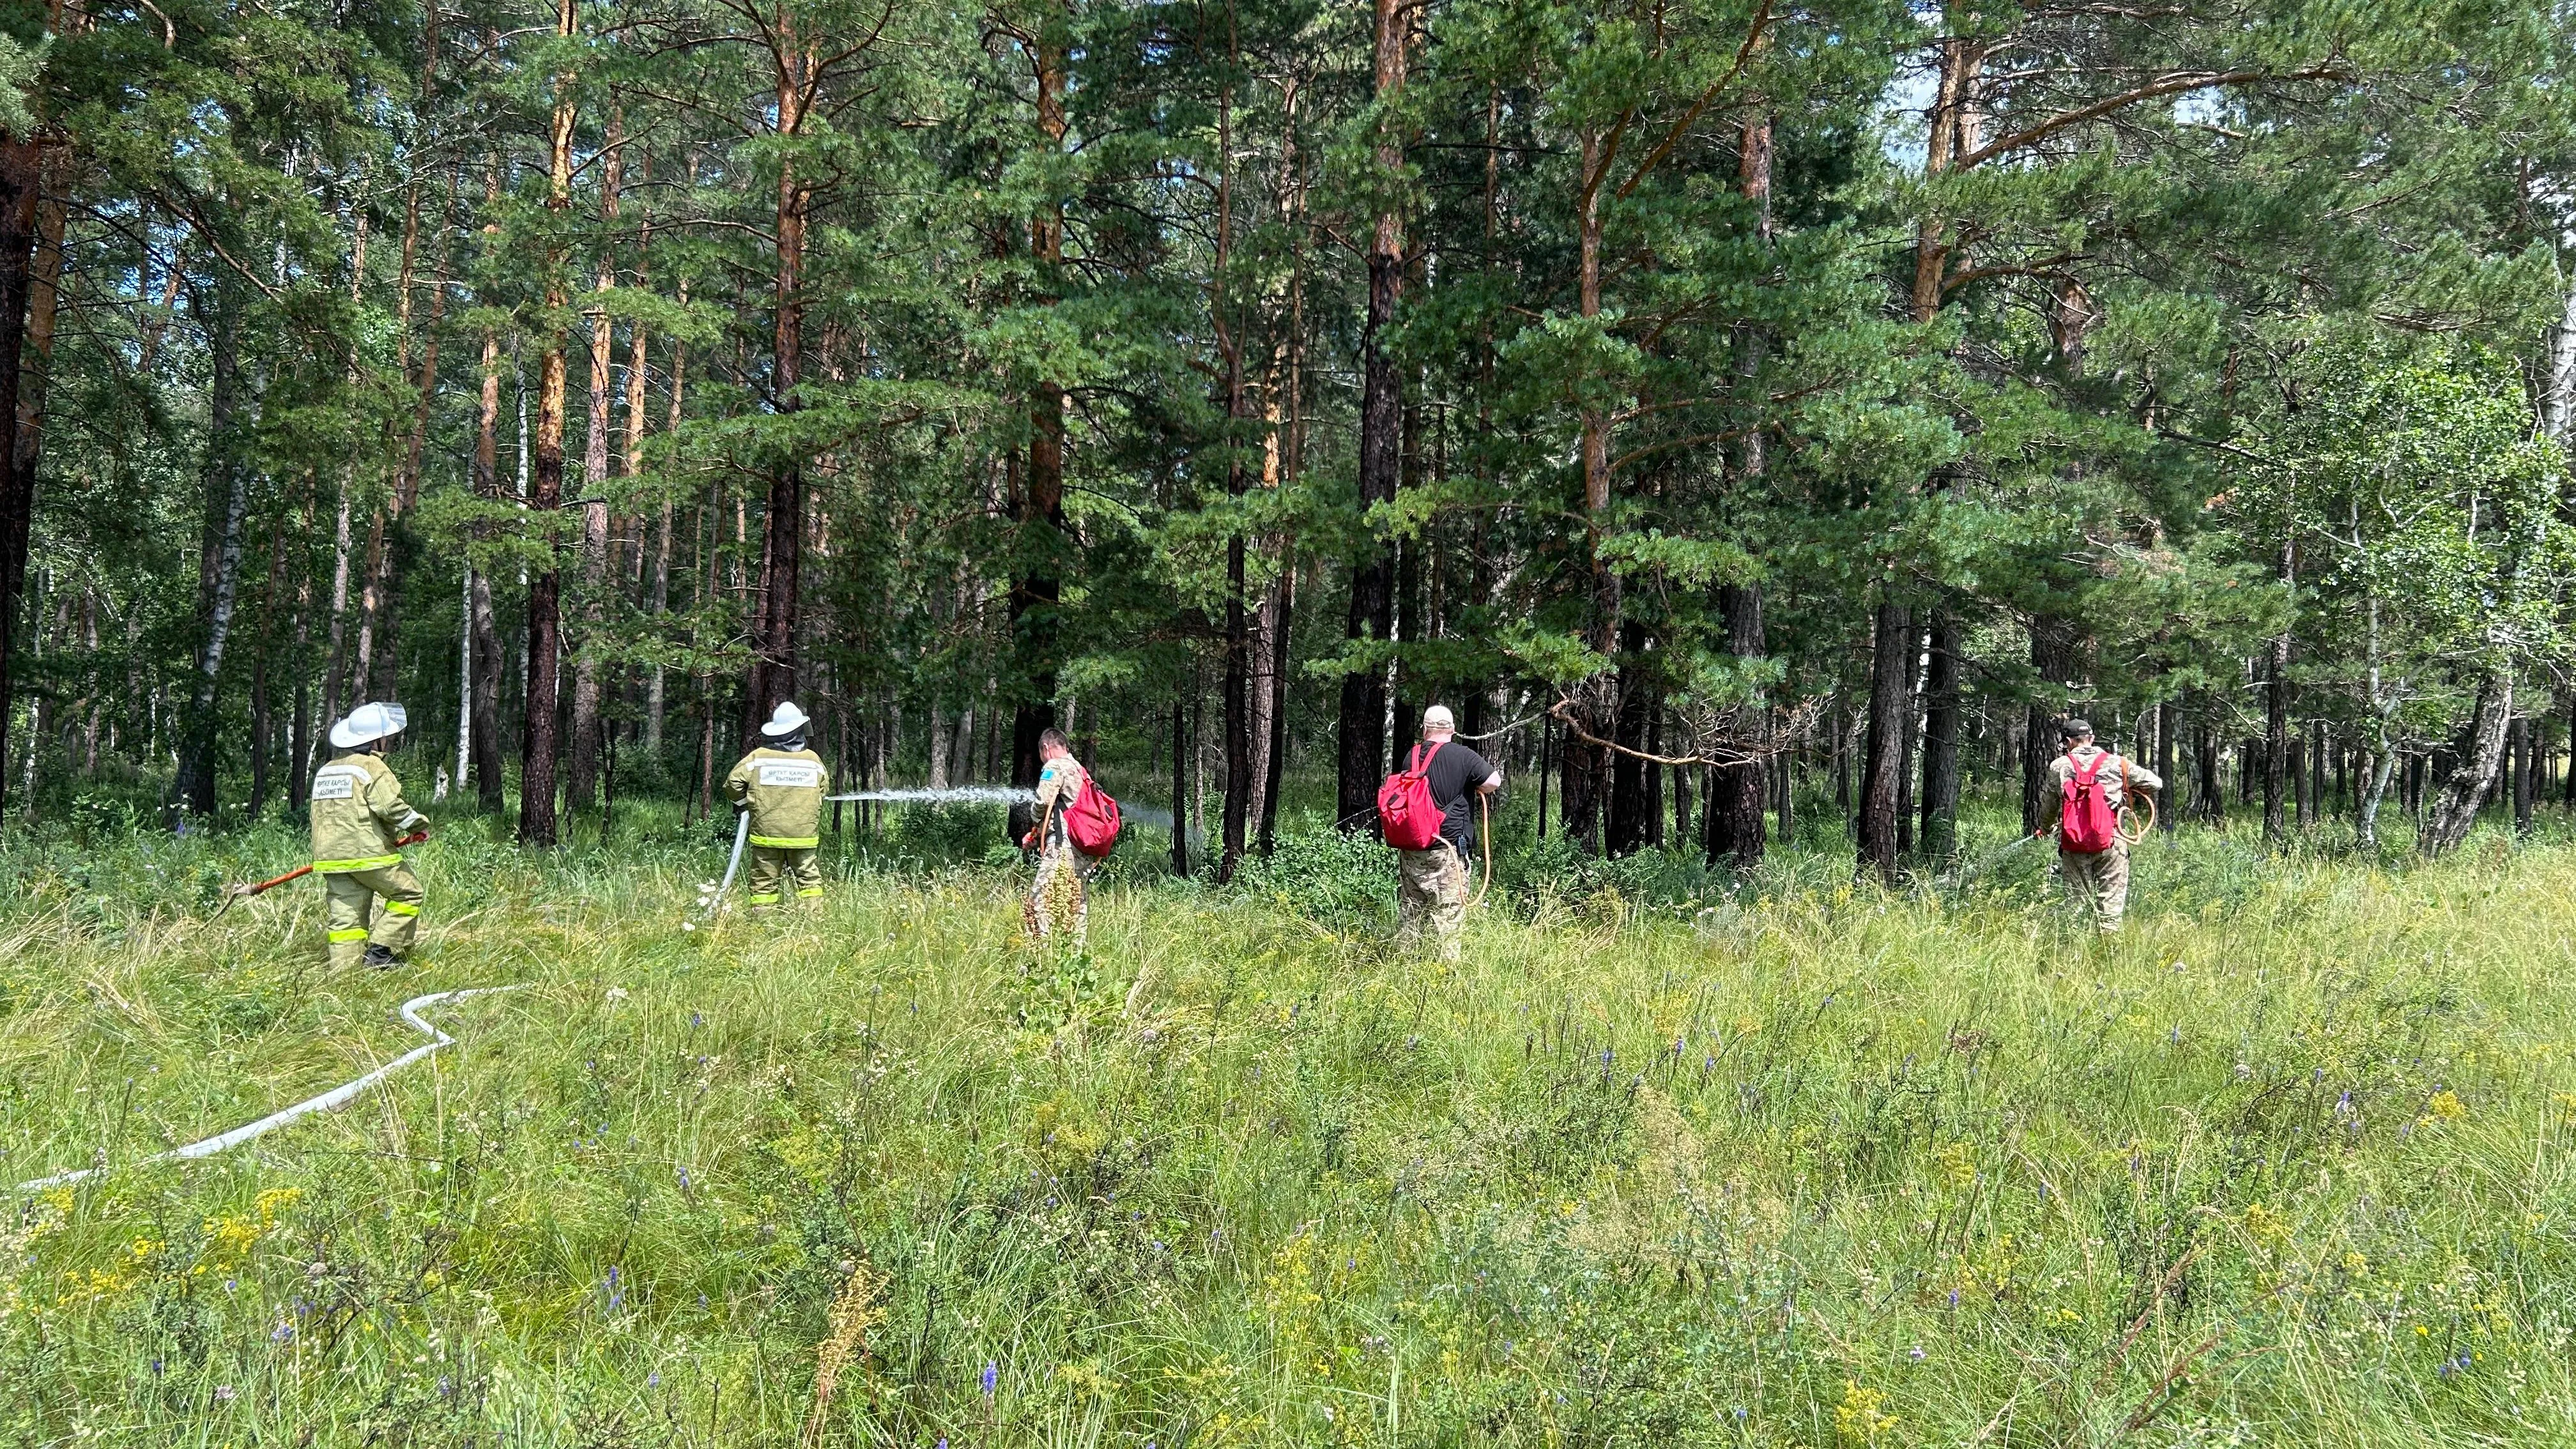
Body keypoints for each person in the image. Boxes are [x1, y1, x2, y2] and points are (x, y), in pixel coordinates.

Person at [310, 702, 429, 969]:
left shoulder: (327, 770)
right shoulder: (370, 767)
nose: (389, 741)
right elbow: (390, 808)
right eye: (386, 737)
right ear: (376, 740)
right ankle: (381, 953)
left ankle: (344, 974)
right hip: (369, 855)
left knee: (345, 920)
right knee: (408, 893)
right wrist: (419, 826)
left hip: (331, 858)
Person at [1393, 705, 1502, 961]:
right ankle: (1446, 976)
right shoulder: (1463, 756)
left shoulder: (1412, 755)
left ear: (1425, 729)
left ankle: (1406, 968)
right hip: (1448, 852)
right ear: (1452, 729)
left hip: (1413, 849)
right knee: (1449, 916)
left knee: (1412, 913)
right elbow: (1494, 782)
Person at [2042, 717, 2161, 933]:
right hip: (2112, 842)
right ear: (2092, 739)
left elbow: (2049, 806)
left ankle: (2075, 954)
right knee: (2110, 909)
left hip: (2073, 844)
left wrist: (2046, 826)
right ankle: (2109, 954)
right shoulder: (2118, 763)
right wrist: (2125, 785)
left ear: (2068, 742)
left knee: (2075, 906)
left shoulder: (2059, 766)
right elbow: (2156, 783)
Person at [725, 702, 831, 908]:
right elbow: (823, 789)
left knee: (764, 883)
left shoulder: (758, 758)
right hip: (803, 836)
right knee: (809, 880)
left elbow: (732, 784)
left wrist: (746, 804)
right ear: (800, 730)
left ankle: (764, 923)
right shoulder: (813, 760)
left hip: (767, 834)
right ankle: (814, 920)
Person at [1023, 728, 1095, 944]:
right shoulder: (1081, 770)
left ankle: (1038, 954)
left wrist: (1034, 818)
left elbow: (1043, 802)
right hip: (1083, 847)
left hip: (1062, 845)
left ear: (1046, 748)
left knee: (1038, 900)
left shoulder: (1054, 766)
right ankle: (1077, 954)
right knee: (1076, 901)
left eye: (1042, 753)